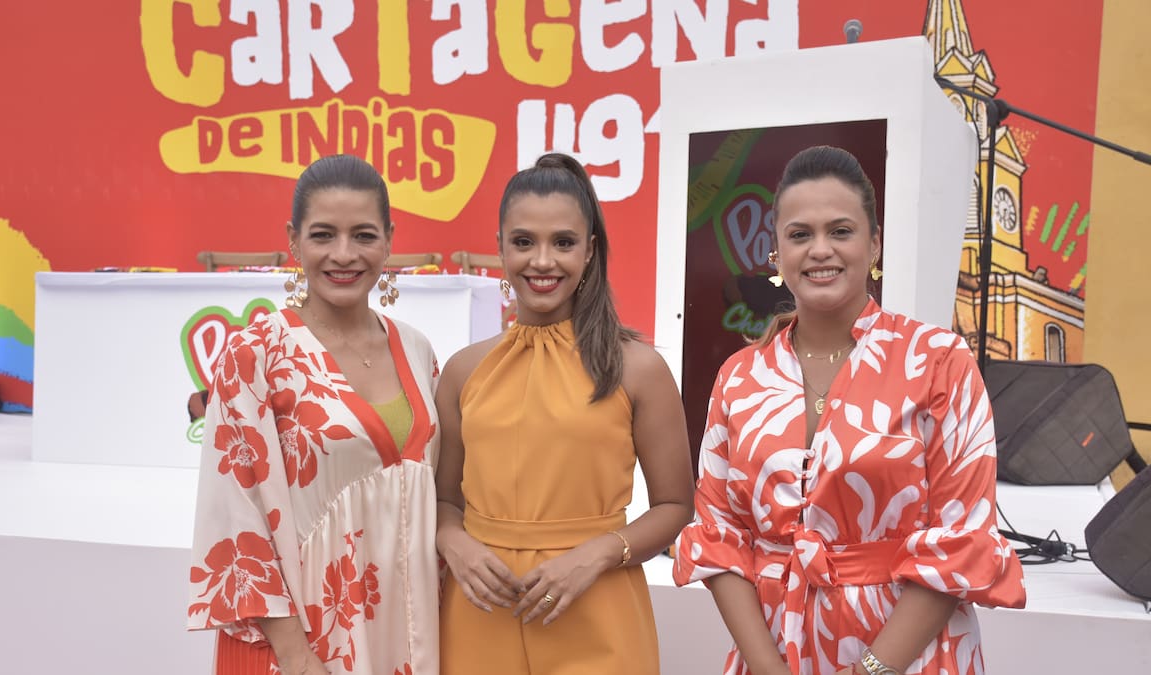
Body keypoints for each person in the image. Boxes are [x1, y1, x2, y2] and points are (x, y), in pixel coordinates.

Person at [674, 145, 1026, 675]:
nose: (820, 250)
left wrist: (870, 670)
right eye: (800, 235)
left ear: (874, 244)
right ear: (777, 254)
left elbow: (962, 541)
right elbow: (718, 537)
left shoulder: (938, 362)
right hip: (773, 652)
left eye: (840, 231)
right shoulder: (739, 377)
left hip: (911, 658)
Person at [434, 152, 695, 674]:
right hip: (480, 613)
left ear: (590, 250)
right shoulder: (464, 370)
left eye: (564, 242)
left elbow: (675, 506)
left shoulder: (638, 369)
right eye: (524, 242)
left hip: (597, 610)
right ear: (501, 247)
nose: (542, 261)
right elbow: (443, 500)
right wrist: (454, 543)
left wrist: (594, 556)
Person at [187, 154, 441, 675]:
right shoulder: (254, 354)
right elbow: (235, 520)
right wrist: (299, 659)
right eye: (323, 234)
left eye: (364, 235)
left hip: (404, 633)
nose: (343, 254)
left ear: (389, 239)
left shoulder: (418, 350)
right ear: (293, 240)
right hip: (302, 646)